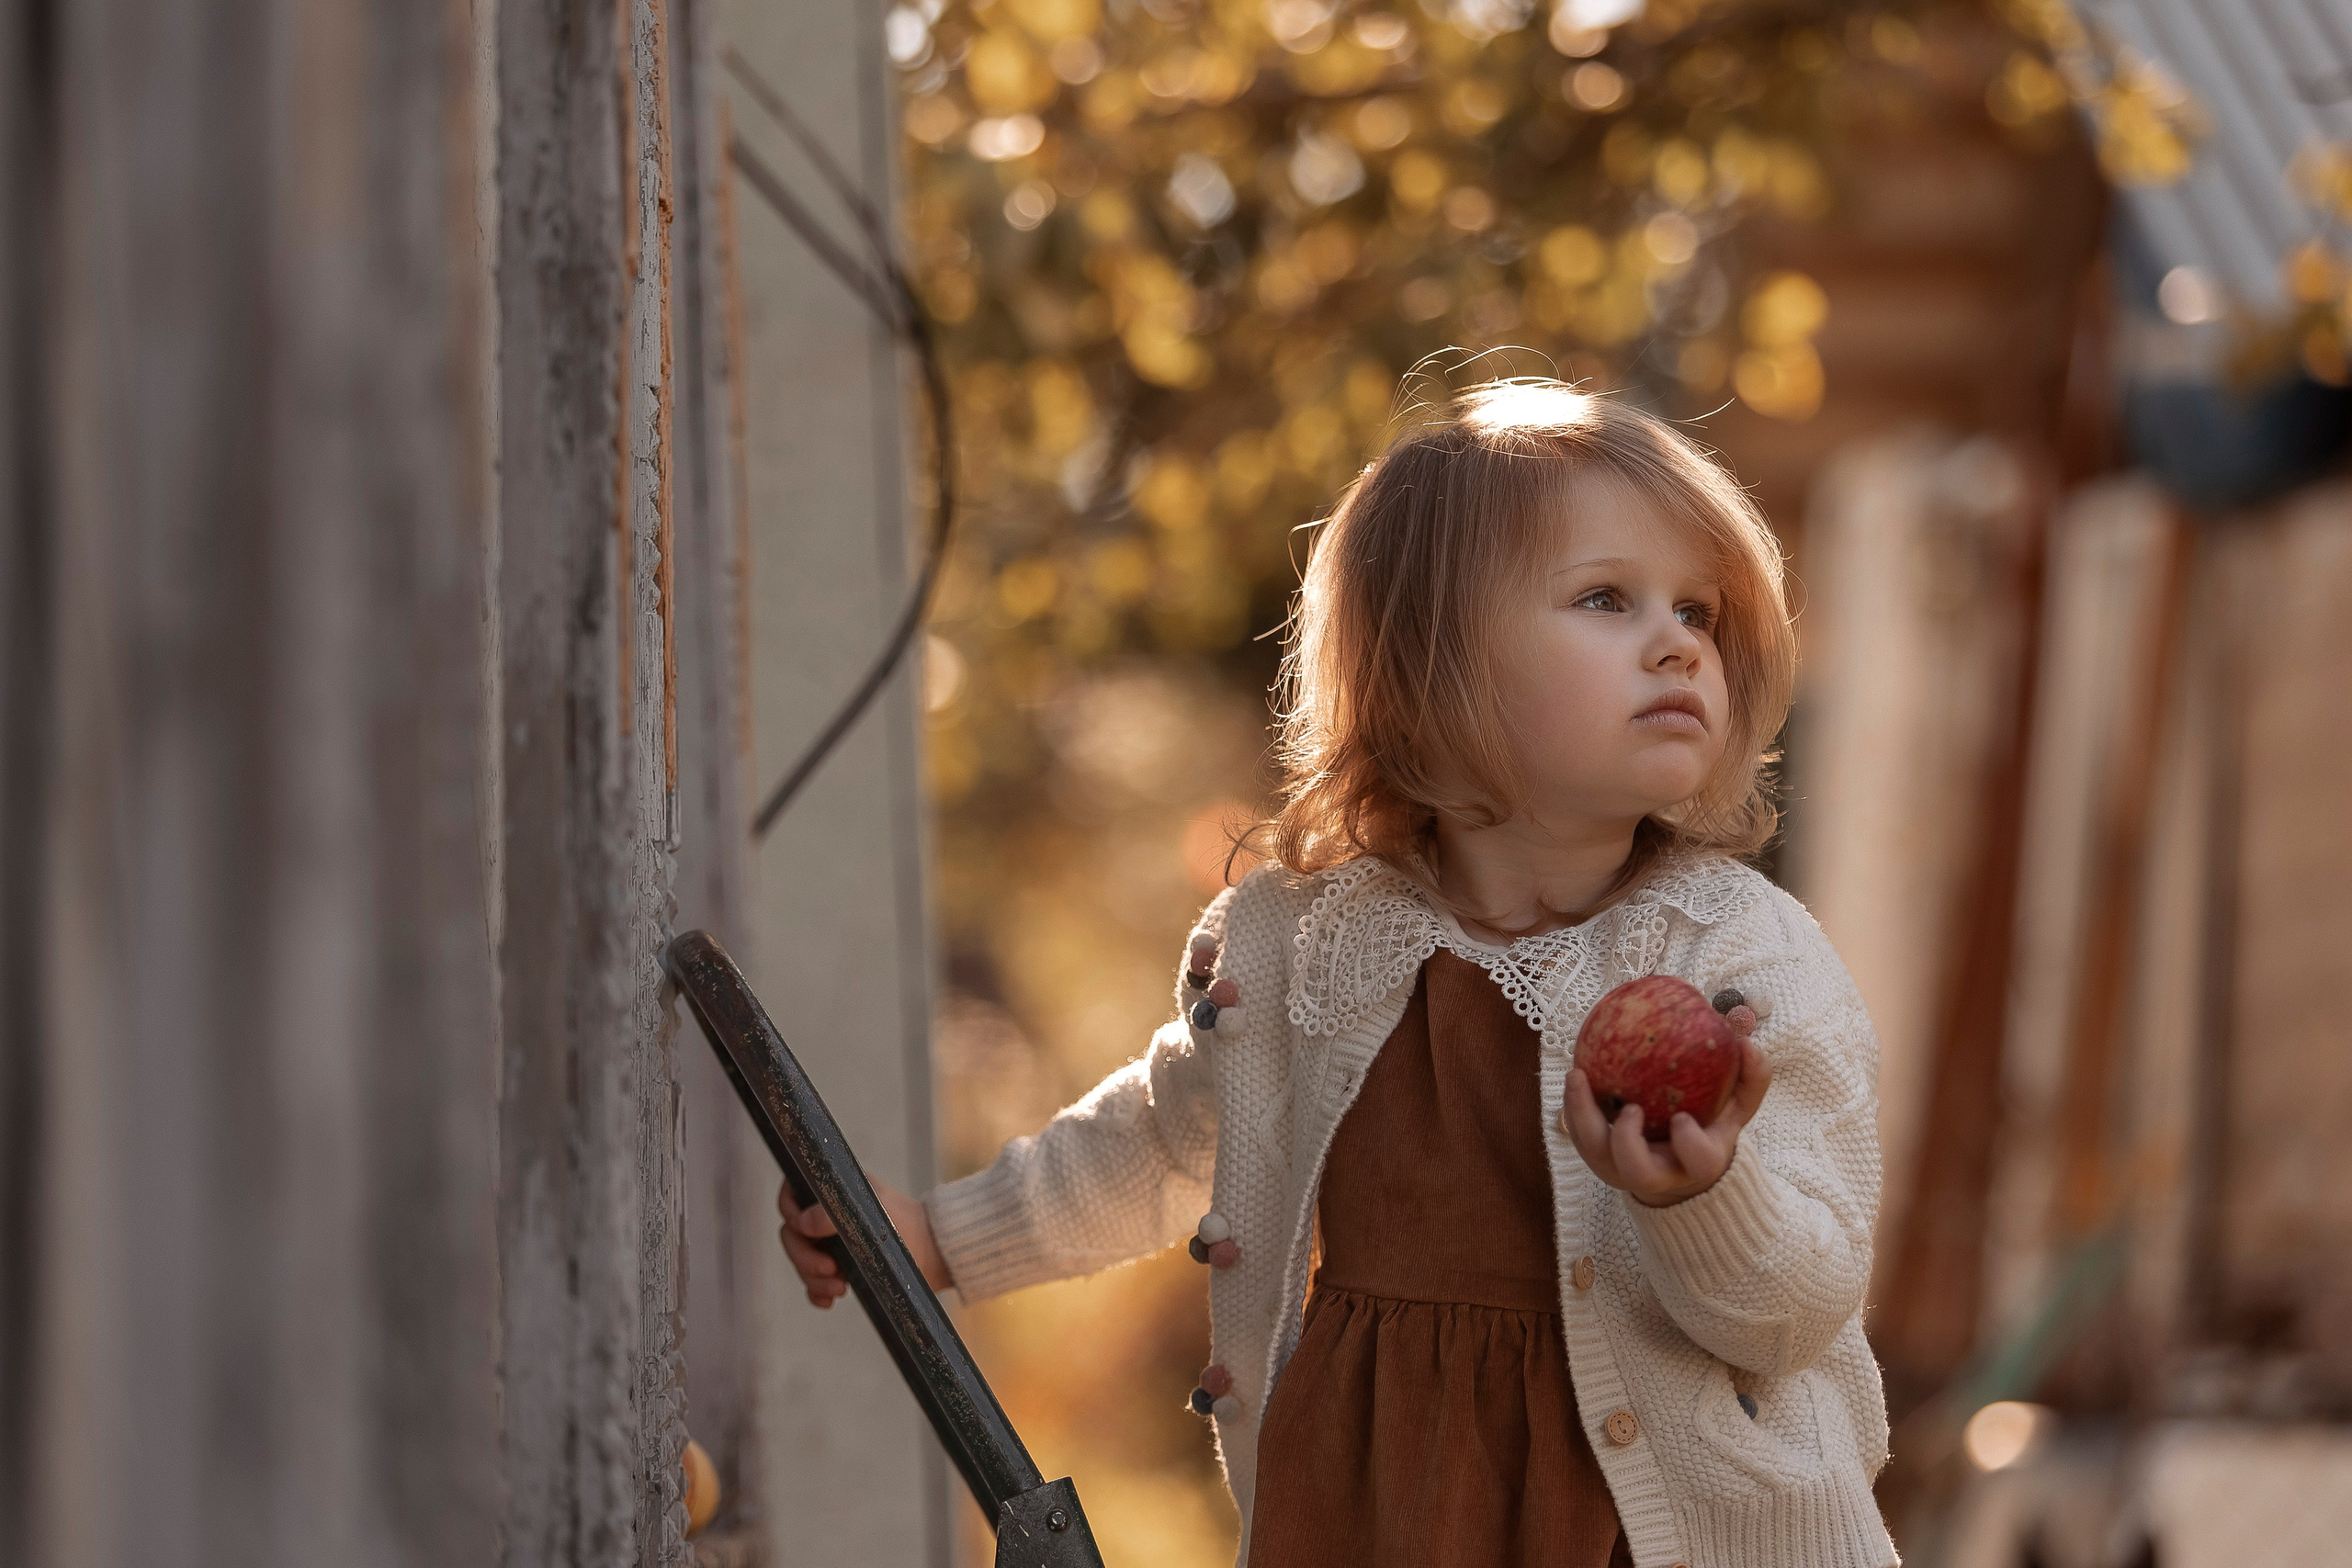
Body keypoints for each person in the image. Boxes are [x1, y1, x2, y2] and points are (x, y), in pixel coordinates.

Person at [777, 378, 1894, 1568]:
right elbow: (1158, 1141)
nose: (1679, 642)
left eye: (1701, 612)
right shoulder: (1306, 940)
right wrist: (942, 1240)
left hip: (1644, 1523)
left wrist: (1700, 1198)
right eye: (1607, 599)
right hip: (1381, 1496)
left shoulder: (1740, 958)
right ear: (1434, 663)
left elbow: (1795, 1314)